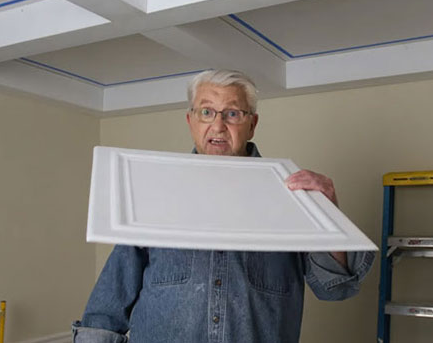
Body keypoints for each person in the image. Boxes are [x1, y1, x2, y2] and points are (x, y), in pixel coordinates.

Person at [73, 70, 375, 343]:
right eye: (206, 112)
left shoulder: (295, 194)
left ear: (252, 124)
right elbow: (109, 303)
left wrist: (329, 215)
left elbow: (335, 289)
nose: (218, 125)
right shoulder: (152, 192)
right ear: (191, 121)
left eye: (232, 114)